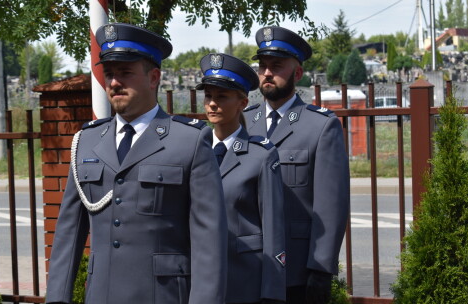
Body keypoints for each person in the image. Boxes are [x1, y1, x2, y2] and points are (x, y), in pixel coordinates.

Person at [45, 23, 228, 304]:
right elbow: (68, 234)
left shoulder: (189, 141)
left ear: (153, 77)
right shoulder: (86, 142)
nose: (114, 82)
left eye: (126, 73)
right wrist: (58, 298)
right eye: (109, 74)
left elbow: (209, 242)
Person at [243, 26, 350, 304]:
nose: (267, 73)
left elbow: (330, 206)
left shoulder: (320, 126)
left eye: (276, 66)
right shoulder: (244, 122)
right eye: (263, 66)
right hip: (247, 265)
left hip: (296, 270)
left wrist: (321, 268)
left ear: (297, 73)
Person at [197, 53, 286, 304]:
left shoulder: (261, 155)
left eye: (222, 96)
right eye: (208, 96)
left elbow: (273, 228)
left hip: (244, 279)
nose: (212, 104)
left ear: (242, 103)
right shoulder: (193, 149)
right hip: (198, 280)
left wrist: (272, 291)